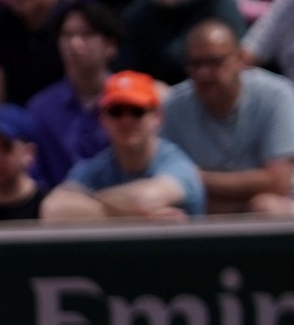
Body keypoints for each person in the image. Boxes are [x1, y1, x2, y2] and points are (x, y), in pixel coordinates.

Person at [164, 20, 294, 215]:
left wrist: (193, 178)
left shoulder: (277, 94)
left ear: (240, 59)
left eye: (214, 62)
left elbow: (278, 183)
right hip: (206, 209)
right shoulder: (175, 105)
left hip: (287, 208)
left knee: (264, 207)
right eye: (195, 64)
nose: (203, 73)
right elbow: (165, 179)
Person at [41, 69, 201, 222]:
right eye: (116, 111)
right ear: (103, 119)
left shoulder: (175, 162)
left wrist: (89, 200)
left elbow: (144, 200)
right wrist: (138, 218)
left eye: (136, 111)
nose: (126, 120)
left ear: (157, 117)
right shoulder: (98, 166)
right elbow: (53, 209)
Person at [24, 0, 118, 187]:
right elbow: (35, 179)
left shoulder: (132, 102)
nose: (74, 44)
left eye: (87, 34)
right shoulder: (40, 109)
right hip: (59, 211)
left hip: (126, 210)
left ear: (110, 46)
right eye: (67, 35)